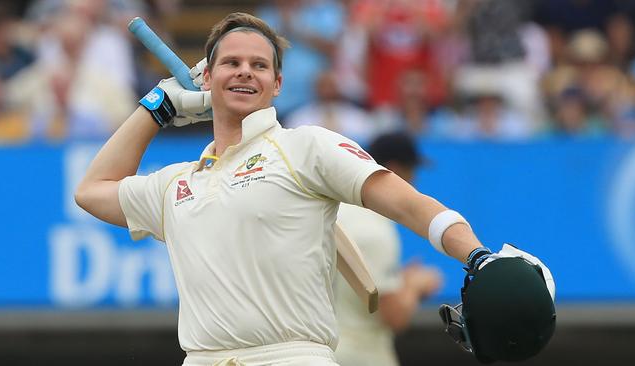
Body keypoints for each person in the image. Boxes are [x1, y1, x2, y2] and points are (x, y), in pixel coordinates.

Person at [75, 12, 553, 366]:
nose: (244, 71)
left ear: (278, 83)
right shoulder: (179, 181)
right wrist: (156, 107)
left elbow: (407, 203)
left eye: (259, 65)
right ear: (208, 78)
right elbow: (92, 190)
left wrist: (476, 256)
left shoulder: (306, 147)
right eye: (231, 63)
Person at [334, 132, 442, 366]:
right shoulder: (375, 230)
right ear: (393, 170)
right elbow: (394, 316)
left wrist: (399, 281)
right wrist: (414, 285)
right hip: (361, 356)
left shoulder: (336, 211)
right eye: (411, 171)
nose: (414, 182)